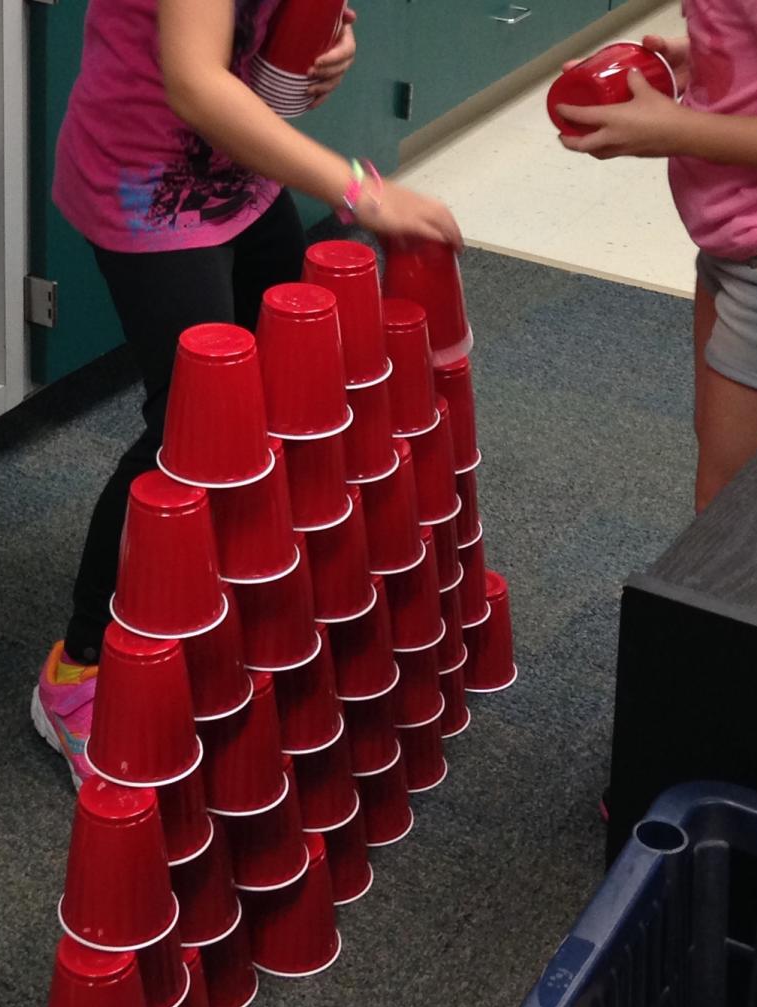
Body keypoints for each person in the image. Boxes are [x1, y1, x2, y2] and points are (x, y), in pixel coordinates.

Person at [31, 0, 462, 790]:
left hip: (240, 177)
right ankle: (77, 667)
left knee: (273, 397)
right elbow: (196, 85)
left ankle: (210, 605)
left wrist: (329, 41)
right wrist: (360, 190)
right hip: (149, 191)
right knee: (187, 435)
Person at [556, 1, 757, 515]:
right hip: (754, 242)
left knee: (738, 515)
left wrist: (675, 131)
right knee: (726, 453)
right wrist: (722, 59)